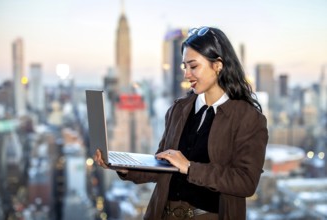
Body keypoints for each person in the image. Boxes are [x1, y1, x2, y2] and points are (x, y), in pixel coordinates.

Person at [94, 26, 268, 220]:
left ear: (218, 65)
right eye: (185, 67)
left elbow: (246, 182)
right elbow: (161, 166)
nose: (187, 74)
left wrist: (190, 168)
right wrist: (124, 167)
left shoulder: (248, 118)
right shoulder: (179, 110)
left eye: (193, 66)